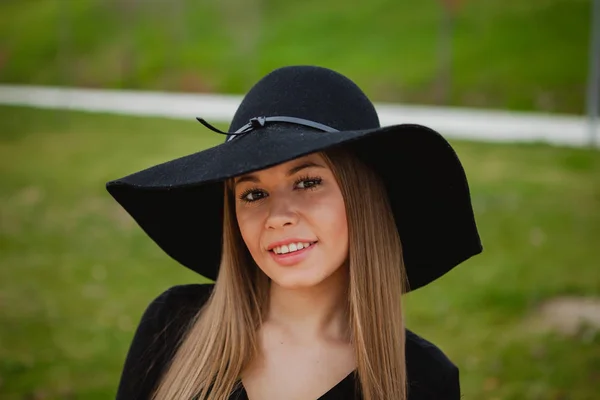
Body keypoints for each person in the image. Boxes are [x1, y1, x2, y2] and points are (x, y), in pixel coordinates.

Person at [106, 65, 482, 400]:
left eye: (307, 182)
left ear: (362, 198)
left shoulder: (423, 380)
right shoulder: (173, 326)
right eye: (253, 193)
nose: (278, 217)